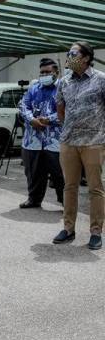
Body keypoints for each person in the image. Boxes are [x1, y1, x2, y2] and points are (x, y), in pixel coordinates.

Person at [53, 42, 105, 250]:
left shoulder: (101, 79)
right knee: (70, 187)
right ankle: (68, 228)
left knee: (95, 188)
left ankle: (95, 232)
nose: (69, 56)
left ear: (86, 58)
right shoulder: (64, 82)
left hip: (94, 142)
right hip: (69, 142)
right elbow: (60, 110)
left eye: (73, 53)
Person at [18, 58, 64, 209]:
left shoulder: (64, 88)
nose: (44, 75)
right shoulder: (34, 88)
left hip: (56, 141)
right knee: (33, 171)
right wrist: (32, 120)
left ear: (56, 72)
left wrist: (47, 120)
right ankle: (34, 199)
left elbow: (68, 110)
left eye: (47, 72)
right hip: (33, 140)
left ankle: (65, 202)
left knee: (60, 174)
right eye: (42, 72)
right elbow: (23, 105)